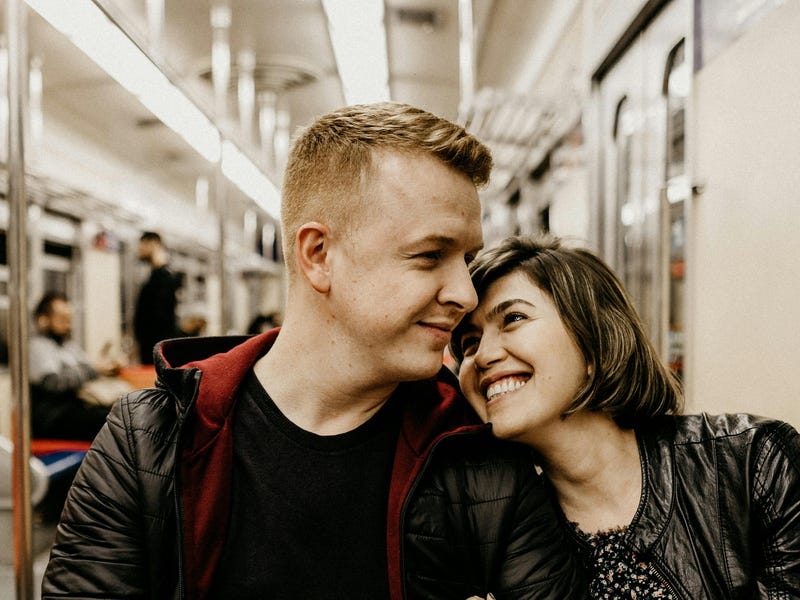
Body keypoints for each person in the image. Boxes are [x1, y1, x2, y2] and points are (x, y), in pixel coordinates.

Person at [42, 103, 586, 599]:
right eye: (429, 256)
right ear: (319, 255)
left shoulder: (477, 458)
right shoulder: (150, 444)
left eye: (466, 259)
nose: (465, 293)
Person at [451, 234, 800, 598]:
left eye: (513, 318)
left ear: (594, 341)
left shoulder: (754, 463)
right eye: (469, 344)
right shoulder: (503, 533)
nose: (483, 355)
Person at [29, 291, 118, 441]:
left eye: (69, 319)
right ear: (43, 320)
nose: (68, 324)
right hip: (52, 418)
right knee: (112, 422)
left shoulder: (67, 345)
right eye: (62, 319)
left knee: (121, 413)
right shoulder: (37, 347)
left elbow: (87, 366)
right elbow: (54, 383)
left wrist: (108, 366)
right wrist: (92, 369)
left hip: (74, 409)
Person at [133, 231, 205, 364]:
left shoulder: (163, 278)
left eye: (142, 245)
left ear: (154, 244)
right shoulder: (156, 276)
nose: (139, 250)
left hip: (156, 348)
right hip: (152, 347)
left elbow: (160, 317)